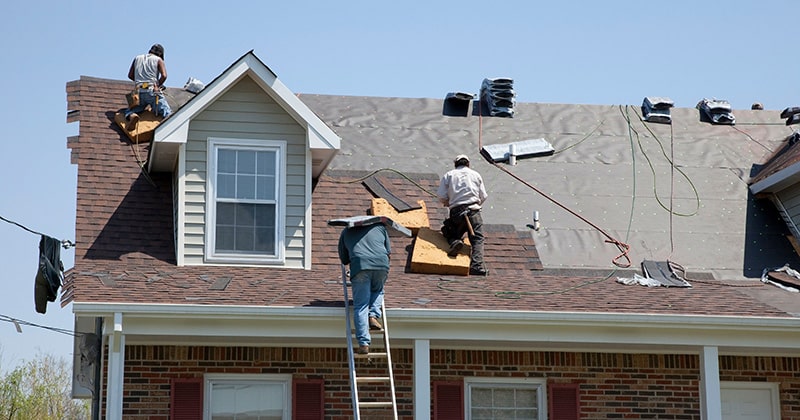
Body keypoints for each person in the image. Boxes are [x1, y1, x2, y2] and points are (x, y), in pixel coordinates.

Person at [338, 222, 391, 355]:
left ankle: (363, 343)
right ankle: (373, 315)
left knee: (361, 305)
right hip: (381, 264)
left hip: (360, 265)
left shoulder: (346, 231)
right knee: (378, 290)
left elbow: (344, 259)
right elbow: (388, 251)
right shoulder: (380, 227)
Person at [437, 154, 489, 276]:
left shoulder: (449, 175)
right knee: (477, 239)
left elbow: (441, 196)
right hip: (473, 211)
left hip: (456, 212)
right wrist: (475, 203)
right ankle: (476, 266)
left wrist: (448, 203)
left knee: (449, 232)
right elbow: (484, 196)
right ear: (468, 164)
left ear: (456, 164)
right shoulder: (476, 175)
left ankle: (455, 241)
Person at [124, 44, 172, 131]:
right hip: (151, 90)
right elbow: (164, 76)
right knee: (167, 112)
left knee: (130, 111)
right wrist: (157, 85)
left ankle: (132, 116)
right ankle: (161, 129)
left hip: (138, 92)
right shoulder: (158, 60)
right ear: (160, 54)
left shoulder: (137, 58)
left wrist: (140, 82)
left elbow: (130, 75)